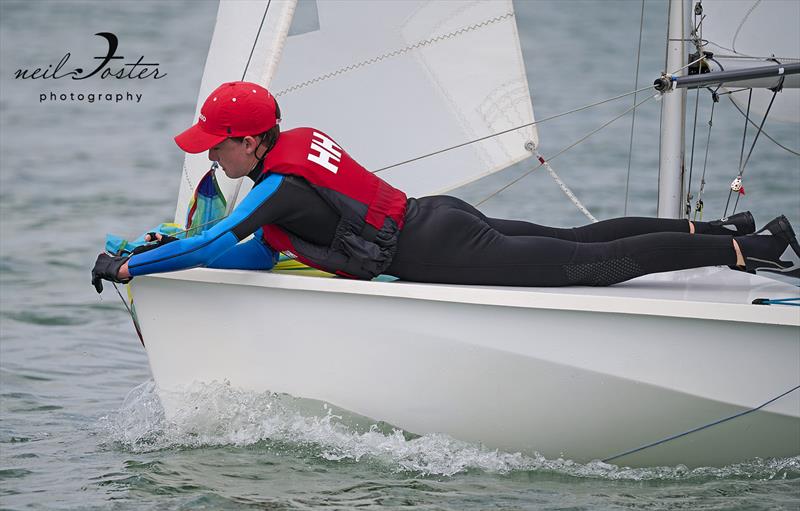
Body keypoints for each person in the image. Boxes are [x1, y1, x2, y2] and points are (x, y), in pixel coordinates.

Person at [92, 81, 799, 293]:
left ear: (248, 141)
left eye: (216, 145)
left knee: (593, 265)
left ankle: (749, 250)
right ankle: (728, 230)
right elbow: (244, 253)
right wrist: (172, 263)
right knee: (579, 239)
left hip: (444, 250)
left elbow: (220, 236)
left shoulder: (276, 187)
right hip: (439, 218)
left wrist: (133, 265)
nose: (211, 157)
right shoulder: (294, 153)